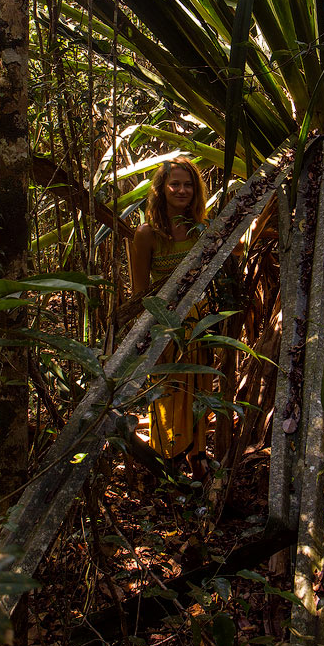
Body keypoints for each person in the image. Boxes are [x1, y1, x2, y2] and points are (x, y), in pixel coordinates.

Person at [131, 157, 211, 479]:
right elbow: (140, 293)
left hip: (198, 322)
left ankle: (198, 453)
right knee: (168, 387)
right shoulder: (146, 234)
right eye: (175, 184)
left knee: (199, 386)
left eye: (188, 184)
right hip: (164, 326)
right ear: (162, 189)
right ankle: (169, 458)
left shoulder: (203, 229)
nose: (181, 190)